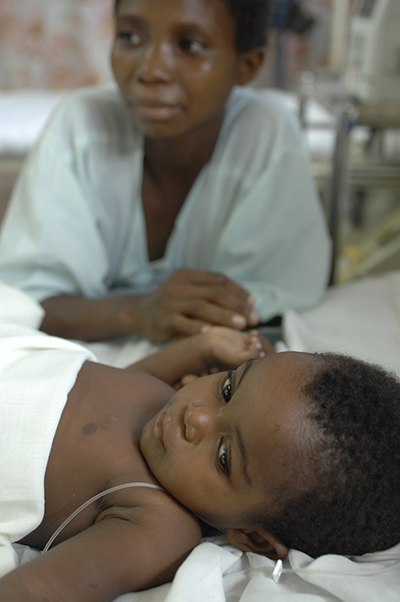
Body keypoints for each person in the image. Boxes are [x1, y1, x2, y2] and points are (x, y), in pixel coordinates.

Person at [0, 0, 331, 343]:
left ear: (246, 66)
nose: (152, 70)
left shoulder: (266, 136)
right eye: (130, 37)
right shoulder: (81, 127)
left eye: (190, 45)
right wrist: (138, 310)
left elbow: (263, 306)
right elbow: (25, 305)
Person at [0, 324, 400, 601]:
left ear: (254, 538)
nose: (196, 415)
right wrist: (198, 347)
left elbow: (43, 591)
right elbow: (101, 392)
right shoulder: (166, 405)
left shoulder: (158, 526)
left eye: (224, 456)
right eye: (228, 387)